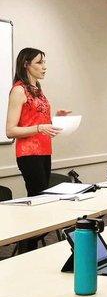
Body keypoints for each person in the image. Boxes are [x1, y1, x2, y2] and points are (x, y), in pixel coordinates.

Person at [6, 47, 70, 250]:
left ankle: (28, 247)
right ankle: (26, 248)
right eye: (39, 63)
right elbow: (10, 130)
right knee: (40, 203)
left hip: (44, 151)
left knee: (41, 203)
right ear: (26, 64)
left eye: (44, 62)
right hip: (28, 153)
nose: (44, 67)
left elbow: (37, 120)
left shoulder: (37, 89)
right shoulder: (19, 90)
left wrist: (56, 118)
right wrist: (40, 127)